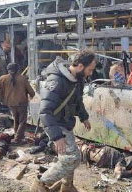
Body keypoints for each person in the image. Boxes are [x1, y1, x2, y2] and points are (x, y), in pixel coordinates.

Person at [30, 50, 96, 192]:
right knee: (72, 158)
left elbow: (78, 101)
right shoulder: (56, 80)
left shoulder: (77, 80)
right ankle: (40, 183)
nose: (90, 73)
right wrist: (57, 137)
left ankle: (67, 186)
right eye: (89, 70)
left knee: (67, 158)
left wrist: (84, 117)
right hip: (57, 125)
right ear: (80, 66)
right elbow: (45, 112)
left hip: (65, 123)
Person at [0, 63, 35, 144]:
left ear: (8, 70)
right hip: (22, 103)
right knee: (22, 121)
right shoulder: (23, 79)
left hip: (10, 103)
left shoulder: (3, 78)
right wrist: (31, 96)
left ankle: (17, 136)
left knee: (16, 119)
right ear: (18, 70)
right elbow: (32, 92)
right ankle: (17, 139)